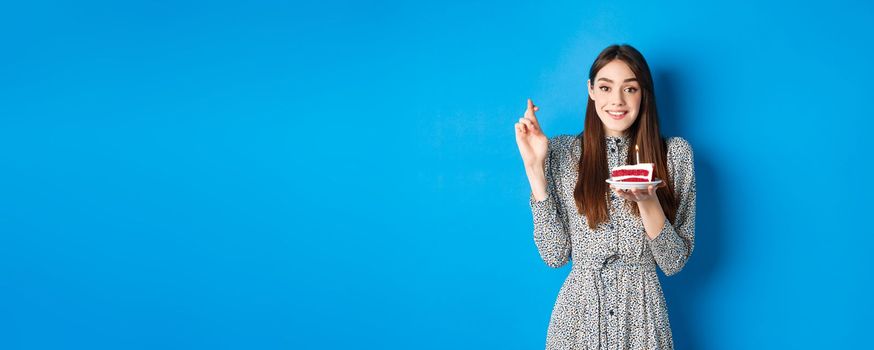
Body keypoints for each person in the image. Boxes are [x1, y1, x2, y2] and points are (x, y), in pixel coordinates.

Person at [514, 44, 696, 349]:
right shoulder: (562, 153)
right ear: (591, 90)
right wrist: (535, 170)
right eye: (605, 87)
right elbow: (554, 255)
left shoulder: (675, 155)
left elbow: (673, 262)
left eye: (630, 88)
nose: (617, 100)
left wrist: (647, 200)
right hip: (577, 322)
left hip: (643, 320)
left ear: (644, 94)